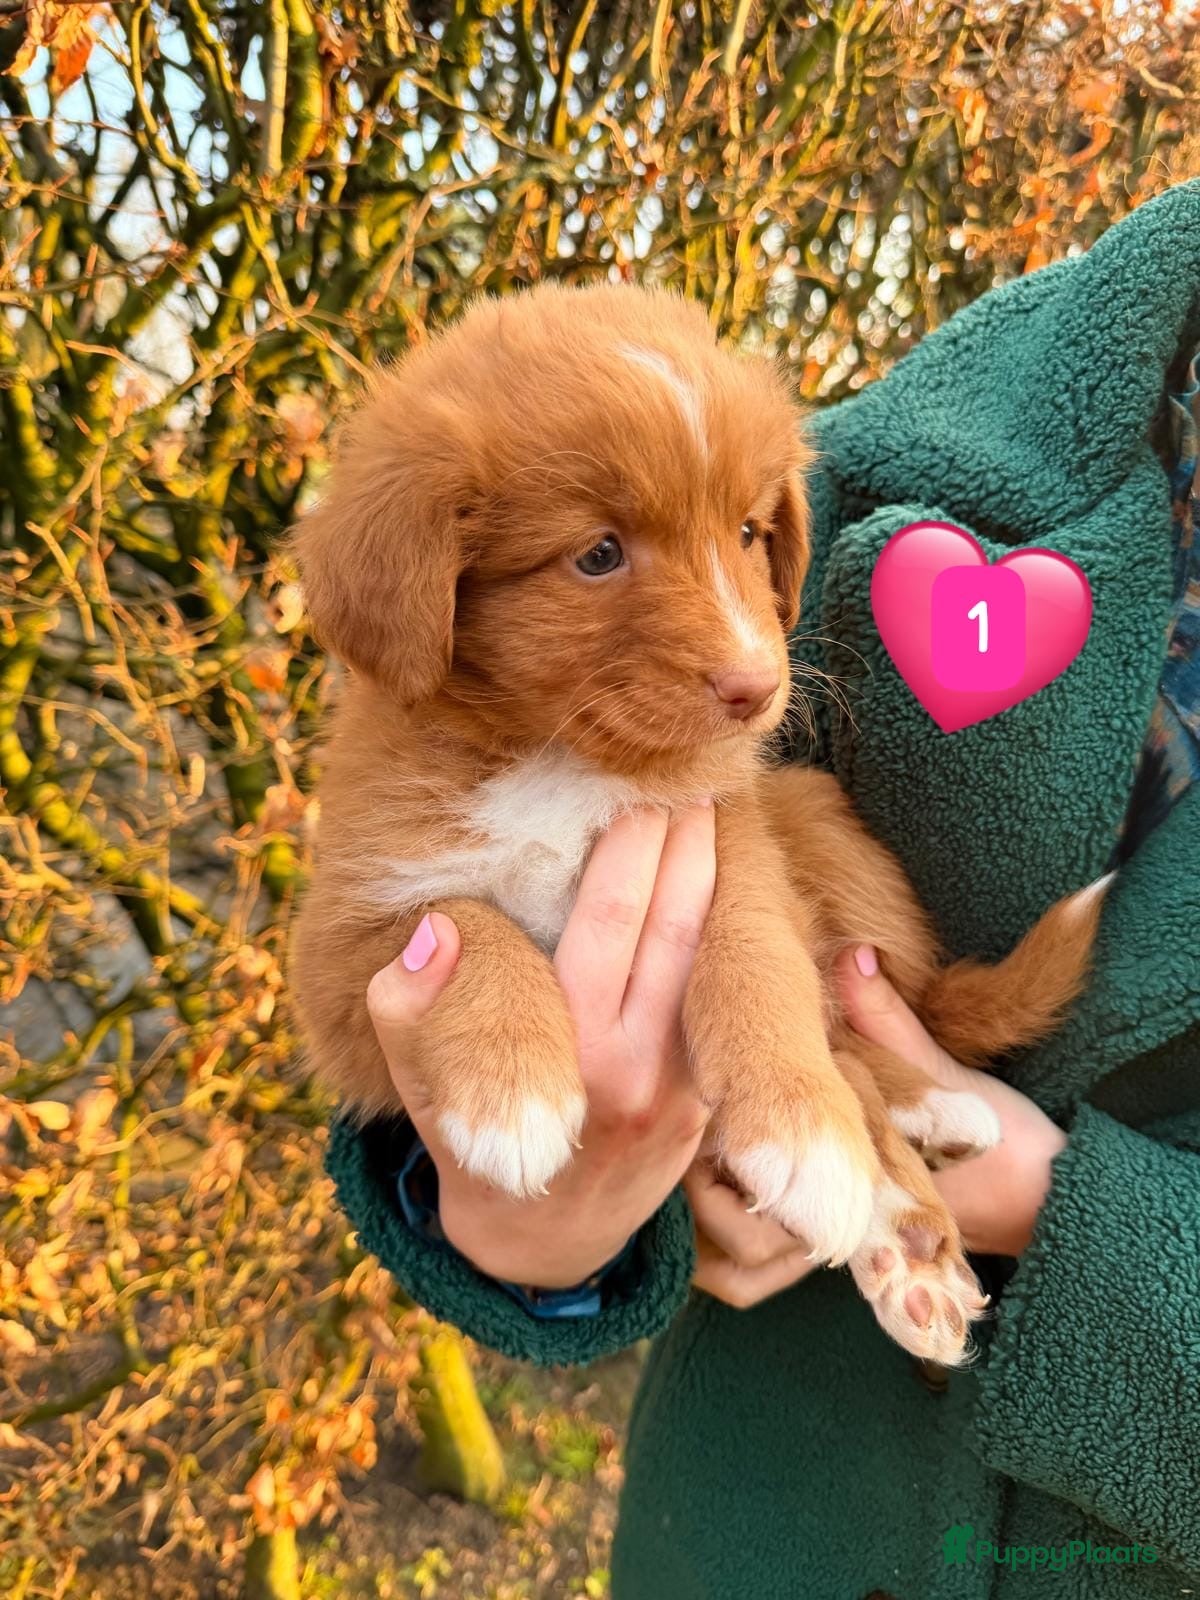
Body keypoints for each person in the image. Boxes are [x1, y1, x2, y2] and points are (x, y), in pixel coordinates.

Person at [322, 183, 1200, 1596]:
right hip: (746, 1532)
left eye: (751, 544)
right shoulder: (952, 412)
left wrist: (1064, 1216)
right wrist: (527, 1236)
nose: (749, 653)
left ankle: (885, 1117)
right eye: (600, 558)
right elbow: (384, 1041)